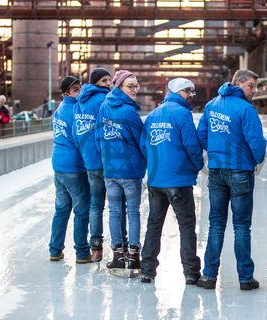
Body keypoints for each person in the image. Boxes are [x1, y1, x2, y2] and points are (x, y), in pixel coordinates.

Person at [196, 69, 267, 290]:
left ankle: (208, 276)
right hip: (240, 171)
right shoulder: (246, 109)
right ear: (238, 83)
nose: (254, 91)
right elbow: (256, 142)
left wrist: (216, 152)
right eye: (251, 86)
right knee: (241, 226)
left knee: (216, 224)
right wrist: (256, 160)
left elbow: (202, 136)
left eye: (255, 87)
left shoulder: (212, 105)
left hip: (217, 170)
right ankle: (245, 278)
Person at [140, 78, 203, 284]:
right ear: (178, 92)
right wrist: (197, 165)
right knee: (186, 226)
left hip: (157, 179)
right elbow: (191, 145)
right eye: (188, 91)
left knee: (154, 225)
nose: (191, 95)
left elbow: (143, 145)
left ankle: (147, 270)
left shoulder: (153, 115)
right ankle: (191, 272)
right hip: (178, 179)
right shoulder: (182, 114)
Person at [73, 67, 126, 262]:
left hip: (90, 163)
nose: (109, 84)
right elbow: (111, 131)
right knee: (117, 206)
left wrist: (86, 153)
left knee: (95, 206)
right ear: (96, 82)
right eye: (104, 81)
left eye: (109, 80)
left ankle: (96, 249)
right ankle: (120, 248)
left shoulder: (79, 103)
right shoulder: (106, 101)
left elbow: (75, 133)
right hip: (107, 162)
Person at [97, 70, 146, 273]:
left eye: (136, 86)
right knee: (132, 212)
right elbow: (142, 142)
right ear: (119, 87)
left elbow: (98, 137)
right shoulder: (129, 112)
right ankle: (133, 256)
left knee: (115, 212)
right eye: (131, 86)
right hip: (130, 170)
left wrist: (106, 159)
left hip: (110, 169)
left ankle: (118, 256)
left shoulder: (103, 107)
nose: (135, 89)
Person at [49, 76, 92, 264]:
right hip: (74, 166)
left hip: (59, 165)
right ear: (66, 92)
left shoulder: (59, 110)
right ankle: (82, 252)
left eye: (80, 88)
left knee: (61, 209)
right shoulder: (75, 110)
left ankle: (55, 249)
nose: (80, 92)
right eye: (75, 90)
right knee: (81, 211)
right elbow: (80, 139)